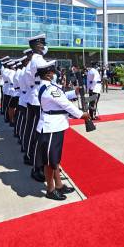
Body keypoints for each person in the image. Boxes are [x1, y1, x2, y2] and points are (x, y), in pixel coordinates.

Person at [35, 60, 90, 200]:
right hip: (50, 127)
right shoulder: (50, 89)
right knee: (49, 161)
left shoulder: (50, 86)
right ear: (48, 74)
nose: (55, 73)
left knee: (55, 160)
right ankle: (50, 189)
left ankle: (58, 185)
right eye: (53, 70)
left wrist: (74, 92)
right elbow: (65, 104)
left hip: (56, 126)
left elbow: (63, 96)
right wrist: (81, 115)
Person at [23, 34, 48, 183]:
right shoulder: (37, 60)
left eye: (43, 44)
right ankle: (36, 166)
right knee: (38, 134)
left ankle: (33, 159)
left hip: (36, 95)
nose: (42, 46)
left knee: (35, 132)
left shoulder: (36, 59)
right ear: (34, 46)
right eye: (40, 44)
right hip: (38, 97)